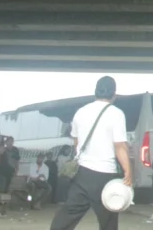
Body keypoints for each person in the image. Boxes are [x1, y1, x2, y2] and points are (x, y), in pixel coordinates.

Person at [50, 76, 132, 230]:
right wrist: (128, 171)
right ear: (114, 94)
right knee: (108, 219)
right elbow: (120, 146)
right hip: (105, 175)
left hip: (82, 174)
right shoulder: (116, 114)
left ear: (96, 92)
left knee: (68, 214)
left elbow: (76, 142)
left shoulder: (81, 112)